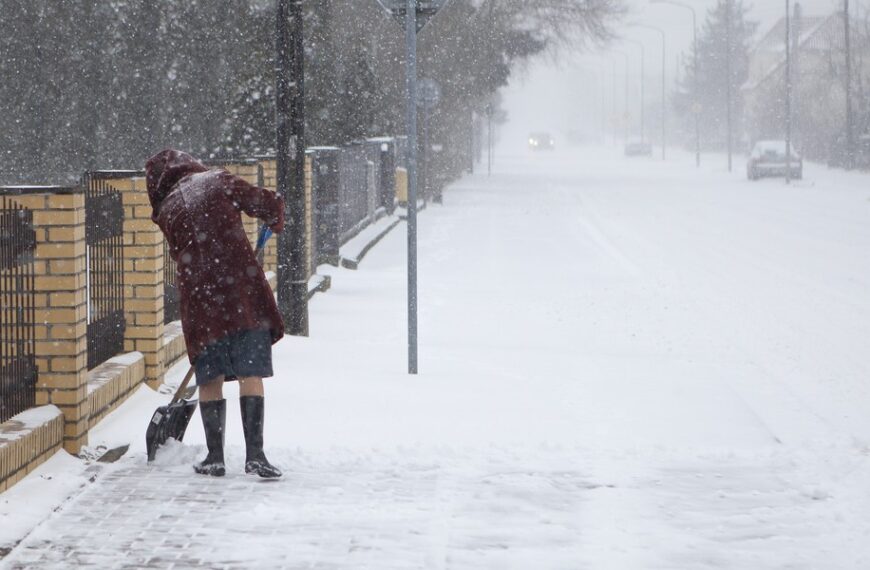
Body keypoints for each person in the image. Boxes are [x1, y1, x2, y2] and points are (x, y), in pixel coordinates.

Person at [146, 149, 285, 478]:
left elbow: (185, 250)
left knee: (211, 378)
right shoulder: (218, 180)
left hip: (203, 303)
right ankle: (256, 456)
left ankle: (215, 457)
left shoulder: (168, 210)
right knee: (251, 372)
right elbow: (266, 202)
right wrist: (273, 216)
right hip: (241, 294)